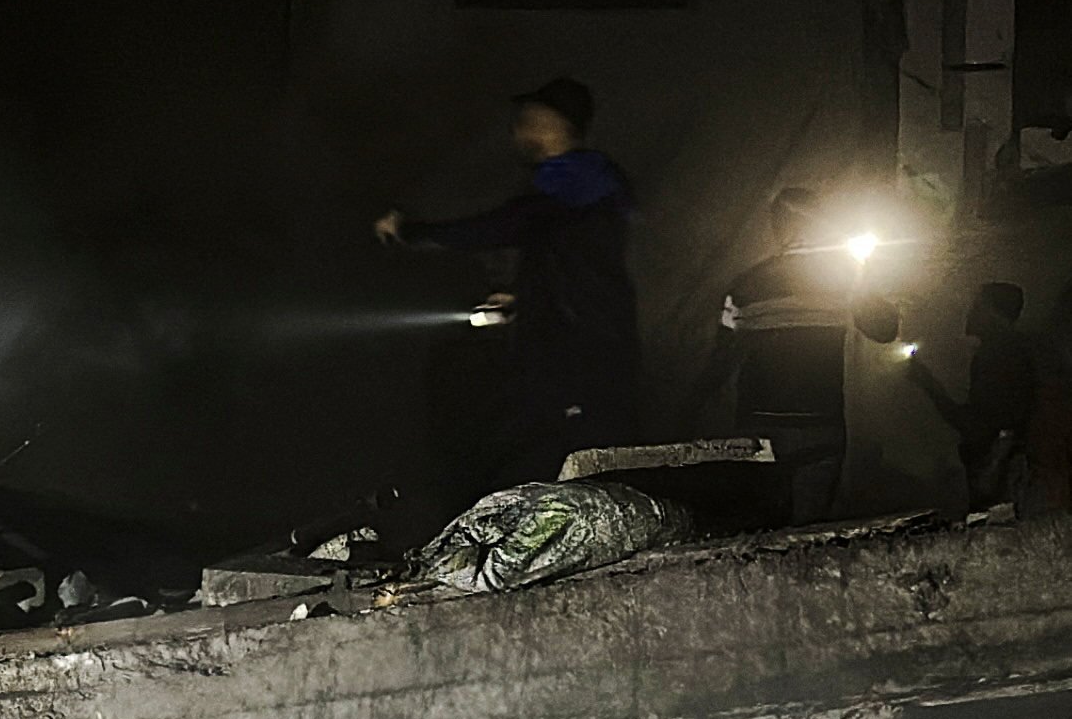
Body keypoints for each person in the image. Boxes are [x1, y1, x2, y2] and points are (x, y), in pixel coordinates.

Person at [378, 76, 640, 486]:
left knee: (570, 456)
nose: (515, 132)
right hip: (571, 345)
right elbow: (563, 251)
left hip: (582, 349)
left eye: (524, 121)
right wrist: (521, 298)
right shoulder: (571, 184)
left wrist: (415, 232)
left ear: (550, 123)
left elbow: (511, 224)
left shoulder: (583, 175)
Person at [689, 188, 903, 523]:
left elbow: (722, 359)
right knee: (808, 535)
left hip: (760, 429)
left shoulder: (745, 285)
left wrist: (689, 410)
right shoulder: (843, 280)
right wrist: (865, 276)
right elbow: (885, 330)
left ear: (777, 227)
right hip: (820, 426)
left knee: (759, 531)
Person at [905, 282, 1040, 513]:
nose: (970, 313)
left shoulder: (999, 355)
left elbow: (982, 422)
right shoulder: (1012, 351)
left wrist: (928, 385)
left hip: (998, 468)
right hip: (1003, 463)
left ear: (993, 312)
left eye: (977, 306)